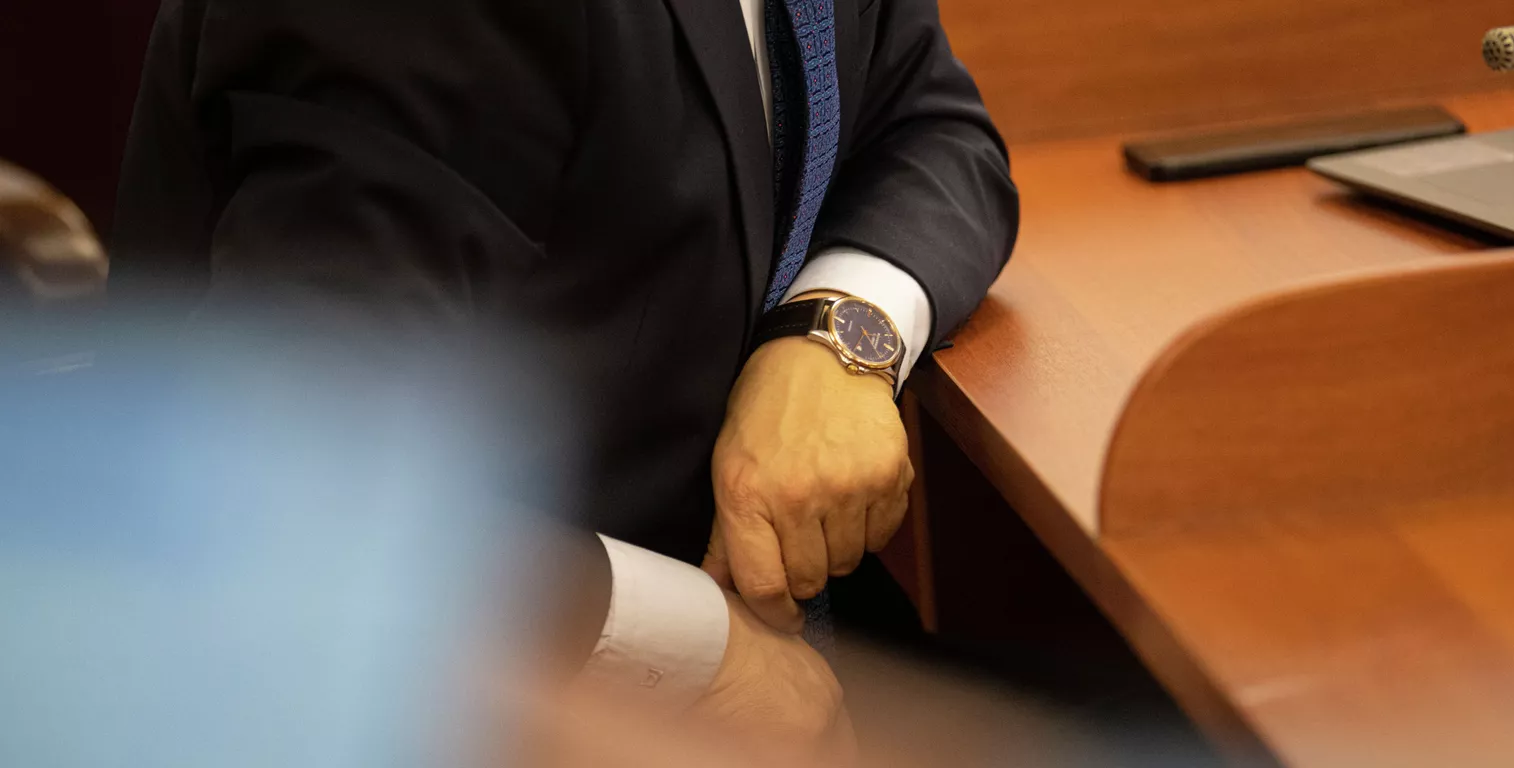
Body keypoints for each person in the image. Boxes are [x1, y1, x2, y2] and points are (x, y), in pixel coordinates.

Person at [111, 0, 1018, 758]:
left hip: (791, 620)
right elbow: (297, 491)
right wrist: (702, 657)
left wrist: (832, 337)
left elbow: (932, 126)